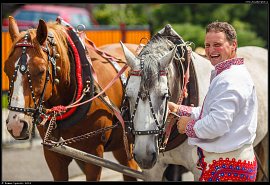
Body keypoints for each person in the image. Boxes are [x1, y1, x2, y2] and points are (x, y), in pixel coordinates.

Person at [168, 21, 258, 182]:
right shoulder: (228, 73)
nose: (210, 50)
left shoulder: (230, 78)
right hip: (228, 165)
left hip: (227, 169)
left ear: (233, 45)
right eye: (207, 45)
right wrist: (179, 109)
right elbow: (212, 111)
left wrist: (188, 126)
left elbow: (217, 124)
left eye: (217, 44)